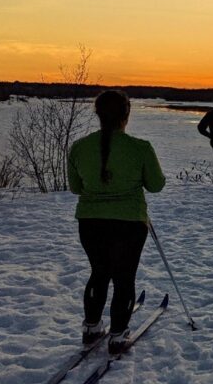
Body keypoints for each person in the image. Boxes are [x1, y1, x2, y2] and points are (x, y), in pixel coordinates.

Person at [68, 90, 165, 353]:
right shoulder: (140, 148)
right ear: (126, 115)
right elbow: (156, 185)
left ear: (98, 115)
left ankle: (91, 326)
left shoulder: (79, 147)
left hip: (90, 222)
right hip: (129, 222)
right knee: (124, 277)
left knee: (99, 273)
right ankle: (119, 334)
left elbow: (76, 188)